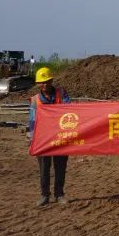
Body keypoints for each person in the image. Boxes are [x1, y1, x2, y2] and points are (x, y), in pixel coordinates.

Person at [29, 67, 70, 206]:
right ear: (38, 84)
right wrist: (32, 139)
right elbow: (32, 122)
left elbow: (69, 110)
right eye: (41, 82)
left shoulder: (61, 94)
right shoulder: (35, 100)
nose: (44, 85)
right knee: (44, 168)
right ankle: (44, 195)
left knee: (60, 167)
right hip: (43, 139)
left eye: (46, 81)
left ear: (51, 81)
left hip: (60, 137)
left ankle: (59, 194)